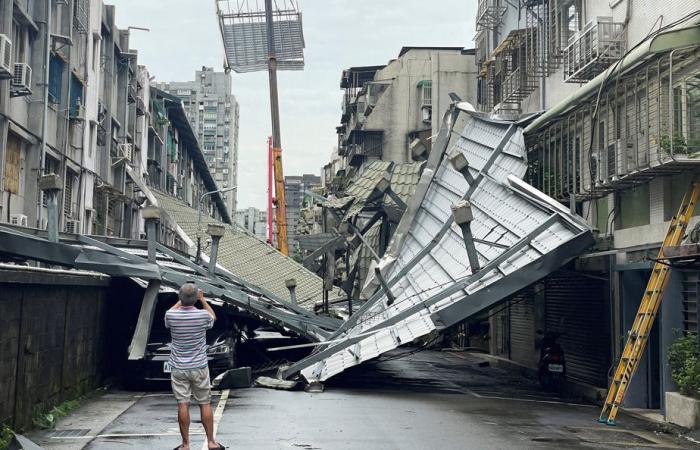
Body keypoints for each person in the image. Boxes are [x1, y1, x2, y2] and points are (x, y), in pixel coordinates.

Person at [165, 283, 225, 450]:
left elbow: (172, 310)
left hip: (178, 367)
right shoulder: (202, 316)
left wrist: (181, 299)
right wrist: (202, 299)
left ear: (180, 297)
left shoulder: (171, 315)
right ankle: (212, 443)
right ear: (195, 298)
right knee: (204, 403)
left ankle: (185, 445)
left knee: (183, 404)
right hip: (199, 366)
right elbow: (213, 316)